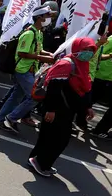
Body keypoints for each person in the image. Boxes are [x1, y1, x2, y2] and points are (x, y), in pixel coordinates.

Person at [28, 38, 97, 177]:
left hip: (68, 109)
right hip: (57, 109)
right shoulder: (66, 64)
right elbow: (53, 88)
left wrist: (87, 107)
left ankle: (37, 160)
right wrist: (51, 109)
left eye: (91, 50)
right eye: (85, 50)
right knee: (59, 140)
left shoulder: (83, 65)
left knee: (49, 137)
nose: (88, 53)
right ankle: (41, 163)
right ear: (77, 48)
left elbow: (84, 88)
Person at [0, 5, 55, 132]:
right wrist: (42, 58)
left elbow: (37, 49)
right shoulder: (29, 33)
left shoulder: (38, 33)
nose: (49, 18)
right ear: (39, 17)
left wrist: (48, 54)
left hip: (30, 70)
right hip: (23, 70)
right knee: (36, 96)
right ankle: (12, 117)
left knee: (15, 97)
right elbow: (22, 53)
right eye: (47, 15)